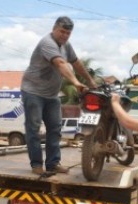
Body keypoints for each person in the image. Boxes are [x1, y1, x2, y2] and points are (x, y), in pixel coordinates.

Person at [21, 16, 96, 175]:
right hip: (33, 91)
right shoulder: (47, 43)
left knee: (55, 128)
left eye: (68, 33)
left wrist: (90, 81)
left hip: (51, 94)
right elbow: (61, 64)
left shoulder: (66, 46)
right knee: (33, 128)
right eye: (62, 31)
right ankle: (36, 165)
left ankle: (53, 163)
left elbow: (76, 63)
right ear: (54, 29)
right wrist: (76, 82)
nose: (64, 35)